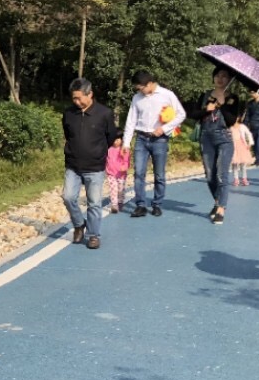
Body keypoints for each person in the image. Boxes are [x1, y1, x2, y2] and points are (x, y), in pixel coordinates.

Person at [61, 78, 121, 249]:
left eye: (79, 98)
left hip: (95, 167)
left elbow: (110, 136)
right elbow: (68, 134)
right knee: (68, 197)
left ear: (90, 94)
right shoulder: (69, 113)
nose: (76, 102)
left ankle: (93, 235)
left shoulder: (104, 113)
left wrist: (98, 152)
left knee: (94, 202)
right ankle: (79, 224)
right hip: (73, 165)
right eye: (74, 98)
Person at [120, 69, 186, 218]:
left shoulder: (167, 95)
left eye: (141, 88)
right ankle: (140, 205)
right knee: (139, 173)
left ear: (149, 83)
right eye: (137, 88)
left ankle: (157, 204)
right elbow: (131, 120)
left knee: (159, 174)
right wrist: (126, 143)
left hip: (160, 140)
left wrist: (164, 129)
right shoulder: (137, 98)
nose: (139, 91)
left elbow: (181, 114)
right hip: (141, 138)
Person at [189, 67, 242, 224]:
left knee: (221, 173)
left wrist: (223, 105)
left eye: (224, 76)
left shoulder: (233, 98)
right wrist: (206, 110)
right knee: (210, 174)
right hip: (206, 137)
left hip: (224, 138)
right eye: (217, 75)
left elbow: (232, 121)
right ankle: (218, 201)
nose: (220, 78)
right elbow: (193, 114)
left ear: (229, 80)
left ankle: (221, 209)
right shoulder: (205, 95)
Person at [105, 141, 130, 214]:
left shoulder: (124, 149)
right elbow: (106, 160)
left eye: (118, 140)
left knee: (121, 189)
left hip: (121, 174)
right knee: (113, 189)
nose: (116, 142)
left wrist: (125, 167)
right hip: (111, 174)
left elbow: (127, 161)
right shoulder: (109, 149)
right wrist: (106, 169)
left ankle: (120, 201)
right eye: (114, 140)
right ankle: (114, 205)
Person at [231, 114, 255, 187]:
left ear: (238, 118)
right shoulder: (230, 127)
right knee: (234, 164)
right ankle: (236, 179)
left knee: (243, 164)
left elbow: (249, 134)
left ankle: (244, 179)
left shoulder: (242, 126)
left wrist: (250, 143)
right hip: (233, 147)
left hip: (242, 146)